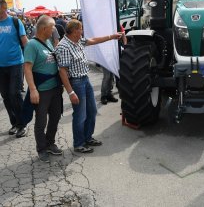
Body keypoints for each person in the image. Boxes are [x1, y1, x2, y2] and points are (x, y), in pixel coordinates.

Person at [55, 19, 122, 153]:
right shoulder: (64, 46)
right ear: (74, 31)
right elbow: (62, 71)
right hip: (76, 83)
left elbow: (93, 40)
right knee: (80, 114)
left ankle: (87, 137)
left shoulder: (77, 40)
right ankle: (79, 144)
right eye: (80, 29)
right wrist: (70, 93)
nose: (82, 31)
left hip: (85, 79)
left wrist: (111, 37)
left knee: (91, 111)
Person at [23, 15, 63, 162]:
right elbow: (27, 68)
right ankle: (41, 148)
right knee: (41, 121)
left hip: (55, 88)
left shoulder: (48, 42)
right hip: (42, 90)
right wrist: (32, 89)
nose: (54, 29)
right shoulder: (32, 45)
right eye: (52, 27)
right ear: (44, 28)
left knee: (56, 116)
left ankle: (50, 143)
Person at [0, 0, 28, 137]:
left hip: (16, 63)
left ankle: (22, 124)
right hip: (1, 66)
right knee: (5, 95)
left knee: (14, 93)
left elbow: (25, 42)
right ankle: (14, 123)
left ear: (4, 8)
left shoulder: (15, 22)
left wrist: (31, 60)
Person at [100, 26, 127, 105]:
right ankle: (103, 95)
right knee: (107, 76)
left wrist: (125, 46)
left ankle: (109, 94)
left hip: (114, 54)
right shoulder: (105, 25)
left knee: (111, 76)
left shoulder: (118, 25)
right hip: (106, 54)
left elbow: (124, 37)